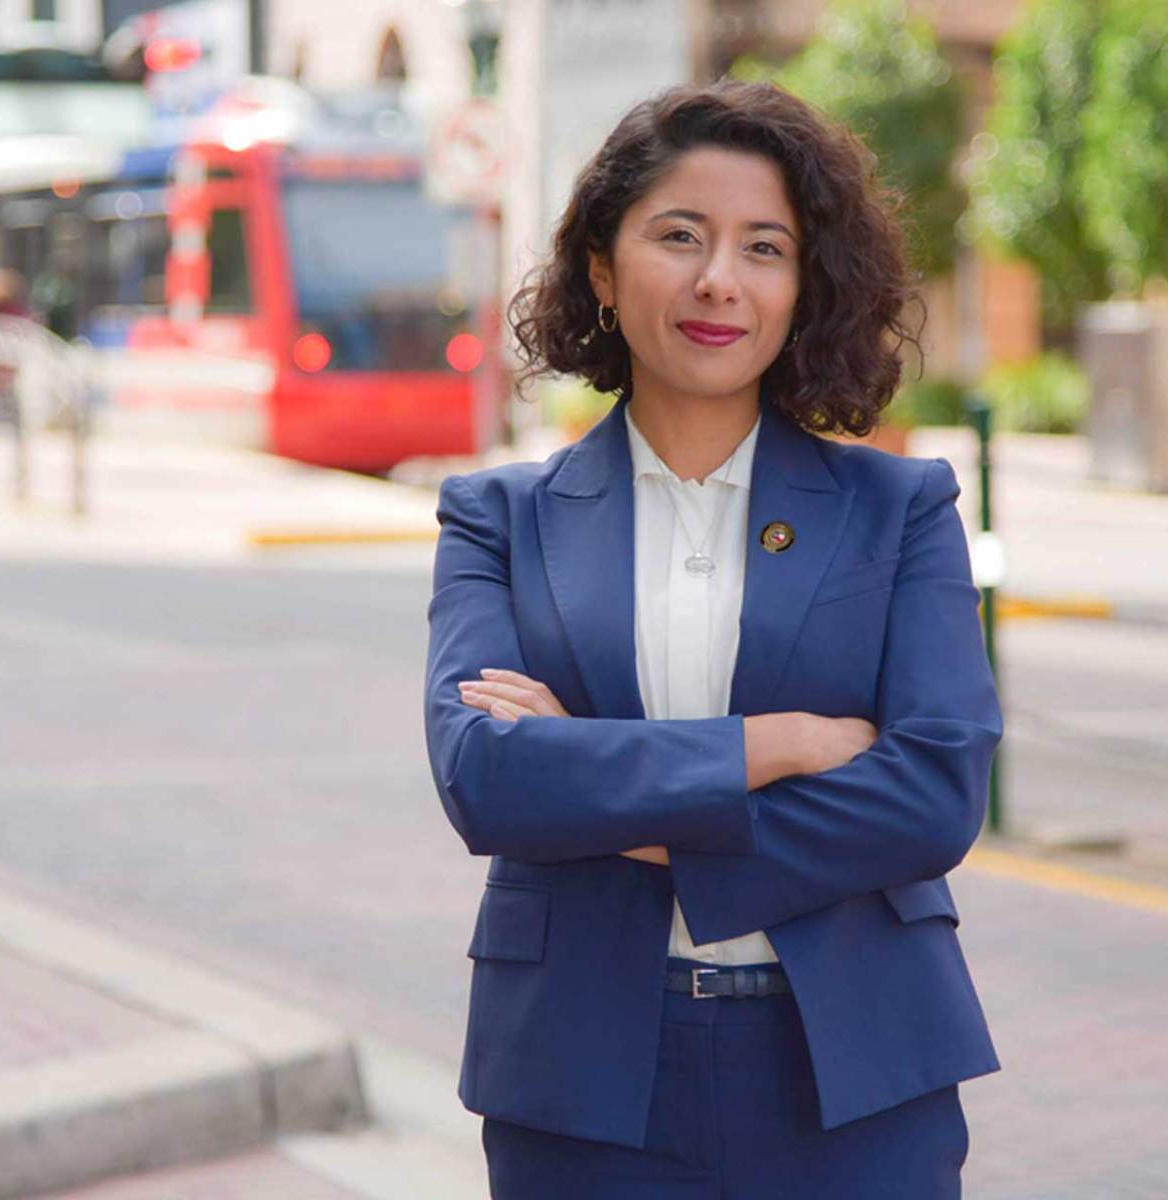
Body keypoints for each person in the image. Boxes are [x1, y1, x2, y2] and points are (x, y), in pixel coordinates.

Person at [422, 79, 1002, 1197]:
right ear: (602, 265)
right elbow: (488, 782)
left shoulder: (902, 511)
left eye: (764, 247)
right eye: (678, 236)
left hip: (859, 1075)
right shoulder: (498, 519)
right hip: (582, 1082)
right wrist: (773, 743)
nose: (718, 280)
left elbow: (933, 795)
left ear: (803, 284)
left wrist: (606, 805)